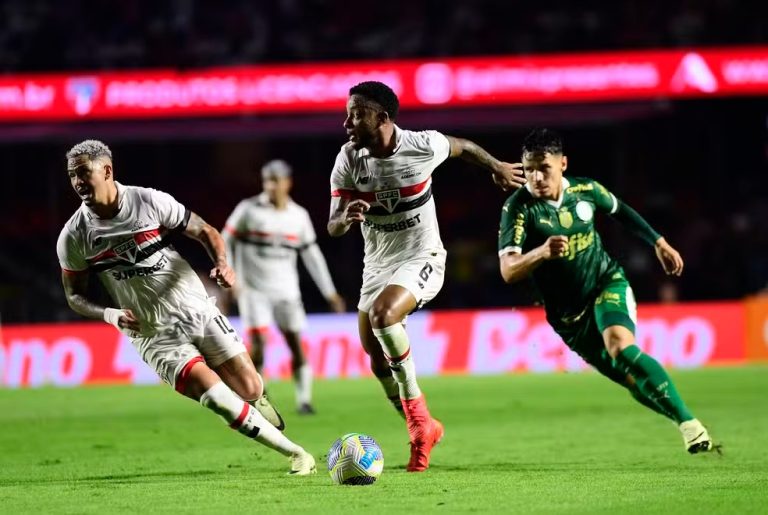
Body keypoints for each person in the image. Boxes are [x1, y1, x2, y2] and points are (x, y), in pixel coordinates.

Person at [56, 140, 316, 475]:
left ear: (106, 170)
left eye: (82, 173)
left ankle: (253, 399)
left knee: (249, 387)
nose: (77, 182)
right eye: (71, 176)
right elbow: (74, 296)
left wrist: (222, 262)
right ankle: (297, 454)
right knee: (218, 398)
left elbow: (205, 231)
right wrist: (110, 314)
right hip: (152, 332)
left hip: (195, 308)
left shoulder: (148, 201)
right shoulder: (74, 236)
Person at [327, 81, 526, 472]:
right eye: (348, 113)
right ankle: (425, 426)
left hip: (423, 256)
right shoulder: (348, 158)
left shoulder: (421, 145)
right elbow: (332, 224)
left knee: (386, 317)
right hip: (377, 265)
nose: (347, 121)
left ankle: (419, 422)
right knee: (376, 360)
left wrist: (498, 167)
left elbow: (463, 147)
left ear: (382, 117)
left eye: (356, 113)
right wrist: (343, 219)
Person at [497, 128, 717, 454]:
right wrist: (541, 253)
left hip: (605, 282)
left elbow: (621, 212)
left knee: (621, 348)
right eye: (528, 169)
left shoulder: (587, 191)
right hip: (567, 316)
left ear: (563, 164)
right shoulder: (518, 208)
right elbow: (508, 270)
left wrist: (659, 242)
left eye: (544, 167)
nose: (536, 177)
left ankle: (690, 424)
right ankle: (682, 421)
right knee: (627, 378)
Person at [223, 159, 345, 415]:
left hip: (287, 291)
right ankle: (258, 400)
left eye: (276, 180)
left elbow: (312, 256)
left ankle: (304, 400)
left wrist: (329, 291)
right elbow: (225, 239)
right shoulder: (248, 210)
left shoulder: (298, 216)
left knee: (295, 344)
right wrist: (231, 274)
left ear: (288, 183)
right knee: (257, 344)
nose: (271, 186)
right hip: (253, 290)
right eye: (267, 180)